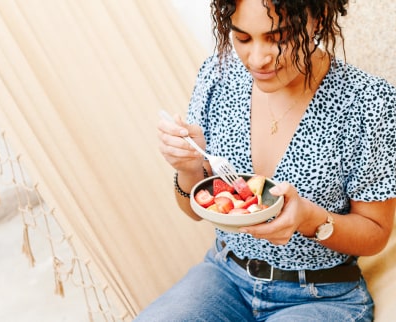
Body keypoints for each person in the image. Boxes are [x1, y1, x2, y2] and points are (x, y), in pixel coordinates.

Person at [135, 0, 396, 321]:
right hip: (225, 275)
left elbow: (376, 234)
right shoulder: (217, 76)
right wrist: (188, 169)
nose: (257, 59)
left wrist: (309, 219)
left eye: (278, 36)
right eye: (242, 38)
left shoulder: (369, 103)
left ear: (320, 17)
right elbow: (194, 210)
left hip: (320, 295)